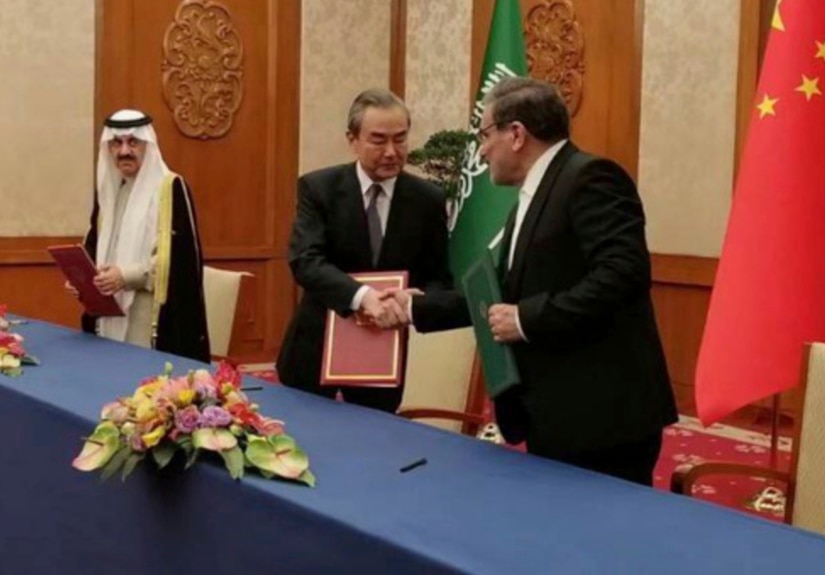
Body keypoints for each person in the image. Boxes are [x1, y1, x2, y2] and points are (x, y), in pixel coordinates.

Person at [407, 77, 677, 485]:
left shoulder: (591, 178)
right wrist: (412, 307)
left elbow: (623, 275)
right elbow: (500, 297)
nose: (481, 150)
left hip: (603, 418)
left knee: (605, 543)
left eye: (484, 134)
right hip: (556, 412)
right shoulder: (535, 193)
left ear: (516, 134)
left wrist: (527, 319)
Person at [276, 89, 452, 413]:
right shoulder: (318, 188)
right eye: (378, 140)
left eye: (400, 139)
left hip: (384, 353)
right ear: (352, 139)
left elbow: (440, 277)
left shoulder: (428, 199)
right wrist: (363, 297)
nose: (391, 152)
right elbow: (306, 261)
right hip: (315, 349)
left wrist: (416, 299)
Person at [67, 109, 210, 363]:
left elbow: (180, 263)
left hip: (150, 324)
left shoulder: (170, 189)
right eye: (116, 143)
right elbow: (94, 247)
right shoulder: (110, 191)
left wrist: (126, 275)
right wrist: (82, 279)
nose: (124, 151)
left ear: (148, 145)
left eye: (133, 142)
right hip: (107, 318)